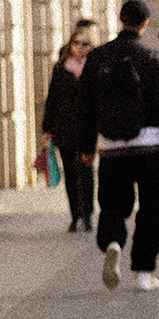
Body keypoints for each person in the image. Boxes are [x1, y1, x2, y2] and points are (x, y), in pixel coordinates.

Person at [78, 0, 159, 291]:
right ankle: (143, 271)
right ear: (145, 24)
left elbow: (85, 107)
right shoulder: (152, 59)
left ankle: (113, 240)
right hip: (149, 146)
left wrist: (87, 147)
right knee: (151, 208)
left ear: (120, 20)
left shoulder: (97, 57)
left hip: (111, 148)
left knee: (112, 204)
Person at [42, 20, 97, 230]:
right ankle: (75, 215)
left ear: (91, 46)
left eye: (85, 44)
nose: (80, 47)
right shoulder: (61, 68)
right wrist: (47, 128)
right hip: (64, 128)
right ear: (70, 44)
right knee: (71, 175)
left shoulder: (94, 67)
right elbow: (52, 99)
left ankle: (88, 214)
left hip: (86, 129)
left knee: (86, 173)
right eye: (76, 43)